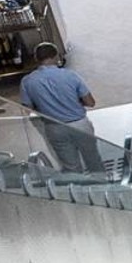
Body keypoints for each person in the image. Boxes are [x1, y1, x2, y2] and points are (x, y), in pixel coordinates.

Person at [20, 43, 102, 173]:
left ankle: (78, 190)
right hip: (79, 124)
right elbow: (90, 102)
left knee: (71, 166)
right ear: (56, 56)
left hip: (54, 128)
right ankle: (102, 186)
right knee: (93, 160)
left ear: (36, 59)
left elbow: (28, 108)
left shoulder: (28, 81)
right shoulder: (70, 75)